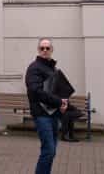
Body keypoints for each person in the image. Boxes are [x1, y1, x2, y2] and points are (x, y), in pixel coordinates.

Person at [26, 38, 67, 174]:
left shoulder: (53, 69)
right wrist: (58, 102)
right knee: (49, 150)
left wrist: (64, 103)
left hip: (54, 114)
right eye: (42, 48)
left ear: (51, 50)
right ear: (38, 50)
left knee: (51, 151)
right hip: (42, 115)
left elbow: (56, 91)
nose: (44, 51)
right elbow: (35, 91)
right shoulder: (34, 68)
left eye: (47, 48)